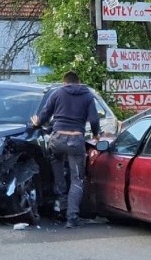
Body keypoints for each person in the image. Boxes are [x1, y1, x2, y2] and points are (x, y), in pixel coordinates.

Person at [31, 70, 100, 228]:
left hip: (57, 139)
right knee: (77, 179)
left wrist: (37, 123)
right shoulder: (87, 95)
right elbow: (94, 119)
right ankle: (72, 217)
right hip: (76, 141)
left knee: (58, 170)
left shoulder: (57, 93)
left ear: (65, 82)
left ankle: (60, 209)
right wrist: (96, 135)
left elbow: (45, 114)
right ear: (79, 81)